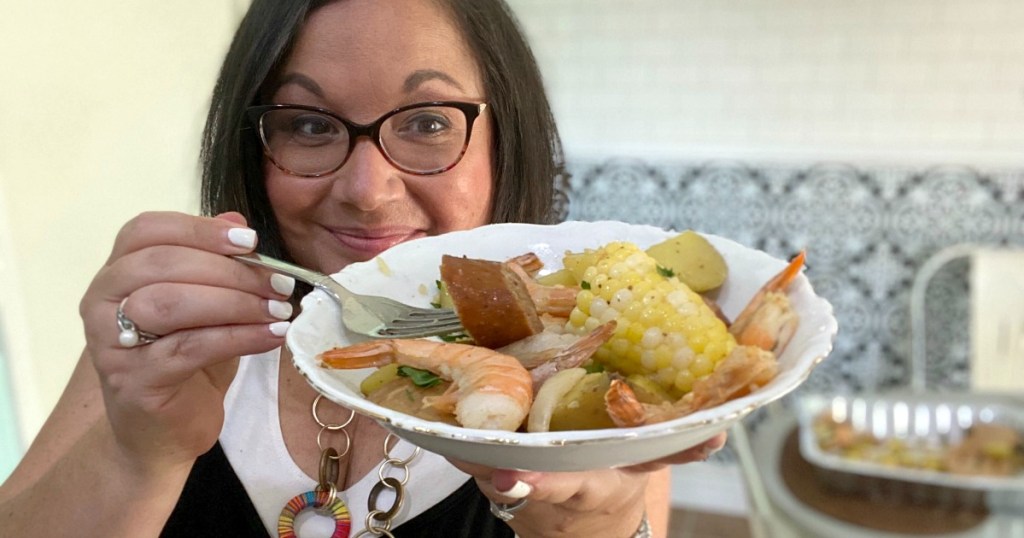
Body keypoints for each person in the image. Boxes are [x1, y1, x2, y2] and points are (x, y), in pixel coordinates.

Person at [0, 1, 725, 536]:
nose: (368, 191)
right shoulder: (173, 342)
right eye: (309, 125)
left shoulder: (590, 371)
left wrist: (598, 526)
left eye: (428, 121)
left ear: (506, 137)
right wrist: (138, 456)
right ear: (255, 146)